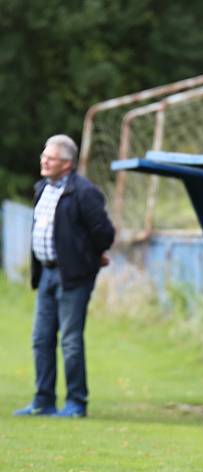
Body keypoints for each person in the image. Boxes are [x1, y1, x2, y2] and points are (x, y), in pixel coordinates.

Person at [14, 135, 115, 418]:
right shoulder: (41, 189)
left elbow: (104, 232)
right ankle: (43, 400)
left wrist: (90, 257)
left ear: (67, 164)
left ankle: (76, 403)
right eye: (44, 156)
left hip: (74, 277)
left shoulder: (84, 192)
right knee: (41, 338)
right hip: (46, 273)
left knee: (70, 340)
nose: (44, 162)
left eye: (51, 158)